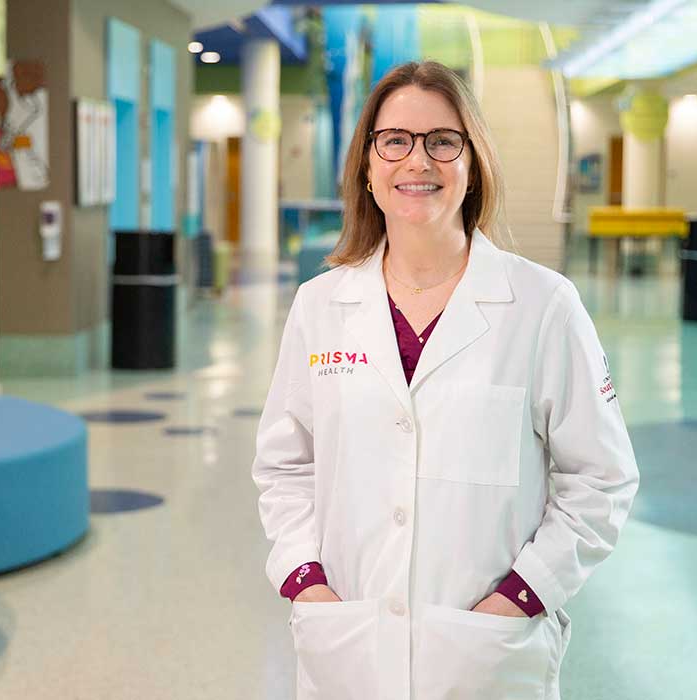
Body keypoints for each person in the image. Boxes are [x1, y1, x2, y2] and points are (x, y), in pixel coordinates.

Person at [252, 61, 639, 700]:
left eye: (442, 141)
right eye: (394, 141)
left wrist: (523, 595)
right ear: (367, 167)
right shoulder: (319, 306)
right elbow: (284, 465)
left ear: (472, 163)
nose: (418, 160)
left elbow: (602, 477)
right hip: (348, 639)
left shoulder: (543, 305)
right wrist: (304, 581)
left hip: (485, 653)